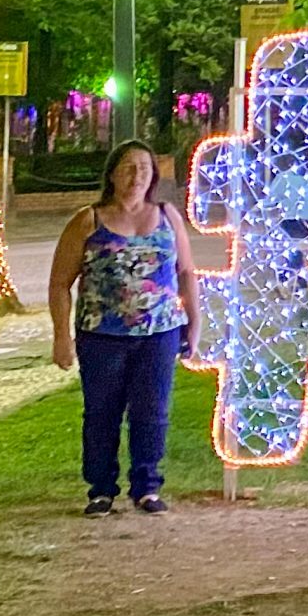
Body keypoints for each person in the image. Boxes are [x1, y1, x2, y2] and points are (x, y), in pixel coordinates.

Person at [48, 141, 204, 517]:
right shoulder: (89, 220)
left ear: (153, 176)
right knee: (101, 413)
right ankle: (101, 489)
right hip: (102, 336)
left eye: (144, 170)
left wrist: (194, 325)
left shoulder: (167, 217)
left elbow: (186, 273)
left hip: (160, 333)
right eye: (128, 168)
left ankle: (147, 487)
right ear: (113, 173)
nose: (136, 177)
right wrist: (61, 337)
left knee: (152, 412)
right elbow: (59, 283)